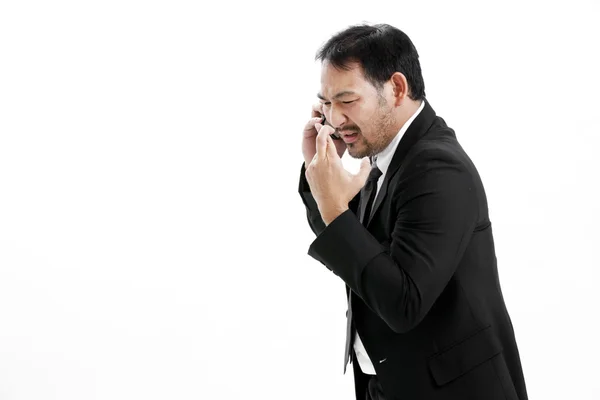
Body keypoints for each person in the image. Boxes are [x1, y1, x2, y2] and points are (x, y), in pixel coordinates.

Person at [297, 23, 528, 400]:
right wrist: (317, 173)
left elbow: (403, 303)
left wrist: (334, 205)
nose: (334, 119)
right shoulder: (385, 154)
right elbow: (356, 255)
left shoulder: (437, 168)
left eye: (347, 100)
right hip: (393, 382)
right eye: (326, 103)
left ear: (397, 88)